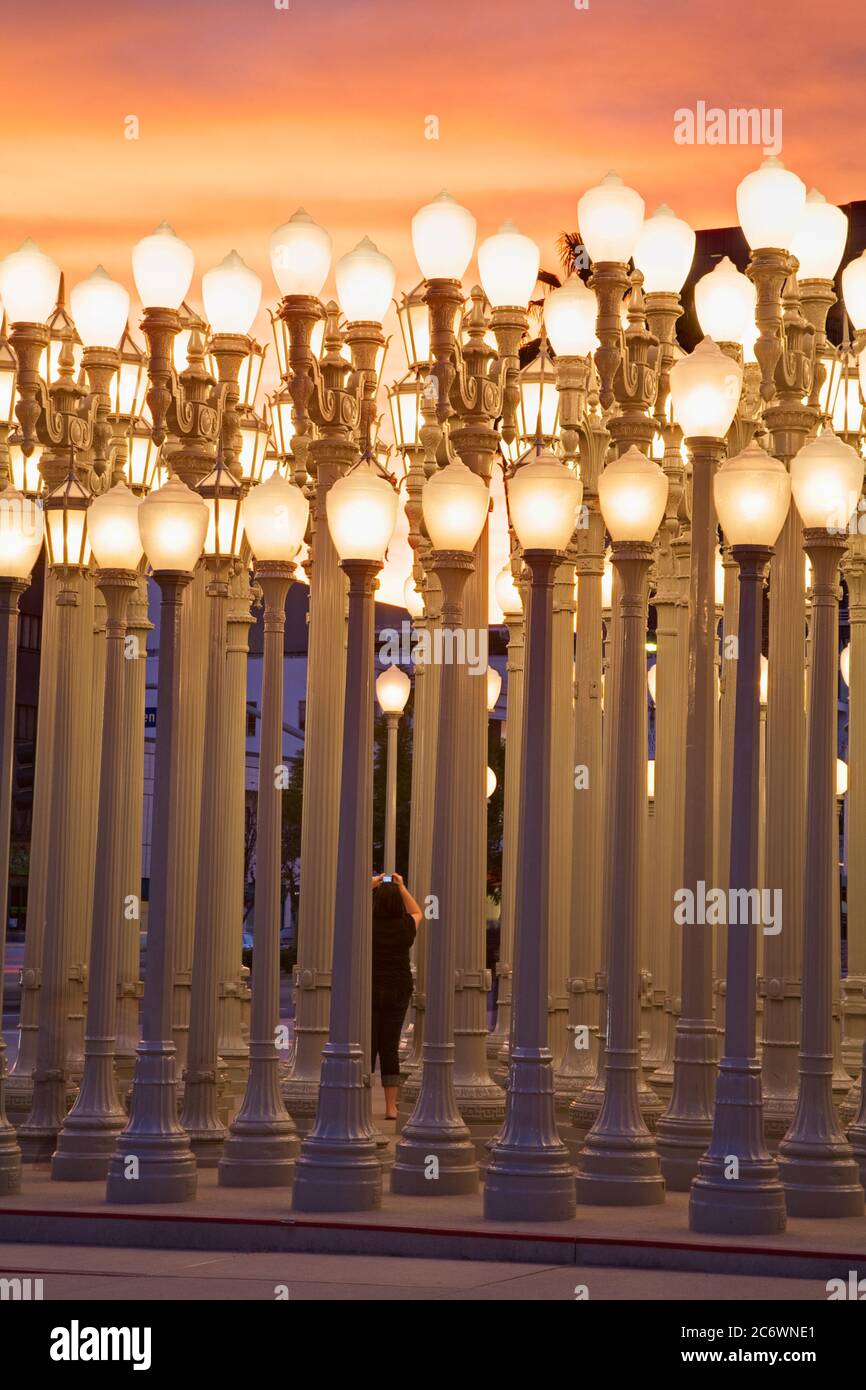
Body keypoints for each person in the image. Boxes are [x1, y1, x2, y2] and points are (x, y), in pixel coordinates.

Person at [371, 872, 422, 1120]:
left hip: (369, 987)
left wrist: (370, 885)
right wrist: (402, 888)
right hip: (398, 988)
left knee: (367, 1043)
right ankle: (391, 1107)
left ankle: (359, 1101)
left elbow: (346, 911)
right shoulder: (405, 925)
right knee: (389, 1046)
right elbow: (418, 913)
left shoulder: (366, 923)